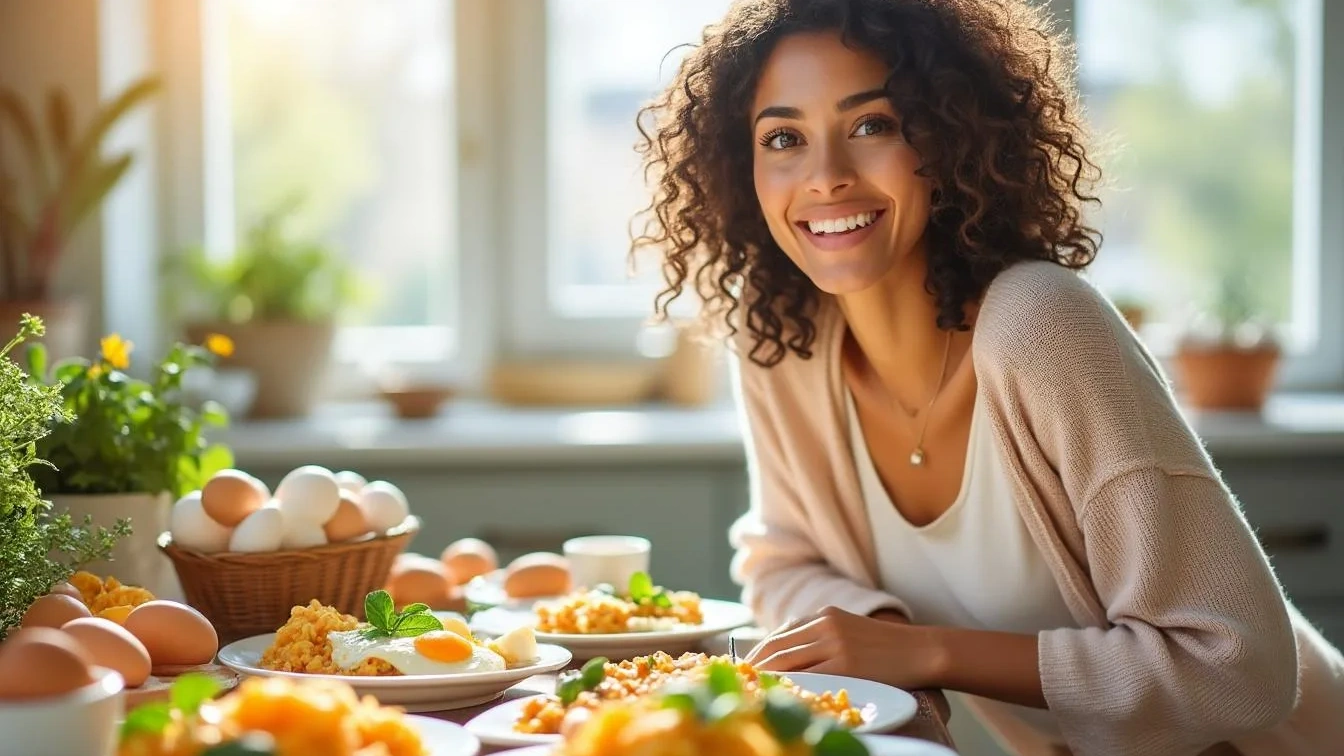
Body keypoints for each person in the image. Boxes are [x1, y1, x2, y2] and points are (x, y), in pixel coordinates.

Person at [630, 0, 1344, 754]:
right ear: (741, 170)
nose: (826, 177)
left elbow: (1241, 670)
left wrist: (928, 654)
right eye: (783, 138)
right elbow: (782, 564)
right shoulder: (782, 337)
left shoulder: (1043, 327)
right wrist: (881, 634)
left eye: (874, 125)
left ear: (951, 137)